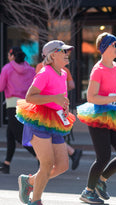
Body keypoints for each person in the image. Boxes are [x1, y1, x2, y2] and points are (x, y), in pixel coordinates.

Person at [77, 32, 116, 204]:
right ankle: (88, 191)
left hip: (115, 114)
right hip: (98, 115)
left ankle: (101, 181)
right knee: (103, 156)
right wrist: (113, 98)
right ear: (105, 48)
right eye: (114, 44)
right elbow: (91, 97)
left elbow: (109, 90)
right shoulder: (98, 69)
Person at [16, 40, 76, 205]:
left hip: (56, 120)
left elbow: (60, 96)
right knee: (47, 163)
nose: (66, 54)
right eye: (63, 51)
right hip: (38, 120)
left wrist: (64, 105)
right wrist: (54, 98)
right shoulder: (44, 72)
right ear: (53, 55)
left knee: (63, 165)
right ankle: (36, 200)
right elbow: (30, 97)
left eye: (67, 51)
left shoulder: (63, 73)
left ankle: (30, 182)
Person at [36, 61, 82, 170]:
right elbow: (72, 85)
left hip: (46, 106)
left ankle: (44, 165)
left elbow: (38, 87)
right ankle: (72, 153)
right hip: (60, 105)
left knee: (43, 135)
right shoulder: (64, 70)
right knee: (52, 134)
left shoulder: (40, 67)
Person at [0, 46, 37, 174]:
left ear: (12, 56)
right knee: (10, 134)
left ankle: (40, 156)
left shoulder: (7, 68)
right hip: (27, 104)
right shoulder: (31, 70)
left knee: (19, 135)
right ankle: (6, 164)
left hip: (12, 105)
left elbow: (1, 86)